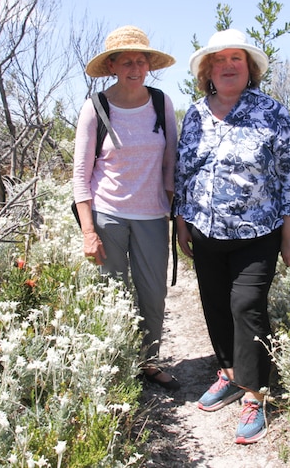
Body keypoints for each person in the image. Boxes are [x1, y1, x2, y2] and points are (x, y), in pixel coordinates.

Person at [173, 29, 290, 444]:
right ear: (207, 72)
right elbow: (184, 172)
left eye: (237, 59)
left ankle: (256, 394)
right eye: (219, 60)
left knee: (247, 305)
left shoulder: (273, 112)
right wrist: (182, 221)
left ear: (249, 69)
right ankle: (231, 374)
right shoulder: (195, 114)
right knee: (215, 304)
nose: (228, 66)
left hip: (258, 233)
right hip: (205, 231)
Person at [73, 25, 180, 391]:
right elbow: (80, 175)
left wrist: (175, 214)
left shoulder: (161, 102)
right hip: (108, 216)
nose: (135, 68)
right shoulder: (96, 108)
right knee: (114, 294)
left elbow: (171, 162)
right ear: (113, 66)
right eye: (127, 61)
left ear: (149, 65)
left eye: (141, 60)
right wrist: (88, 231)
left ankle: (148, 361)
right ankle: (117, 365)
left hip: (152, 214)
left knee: (153, 292)